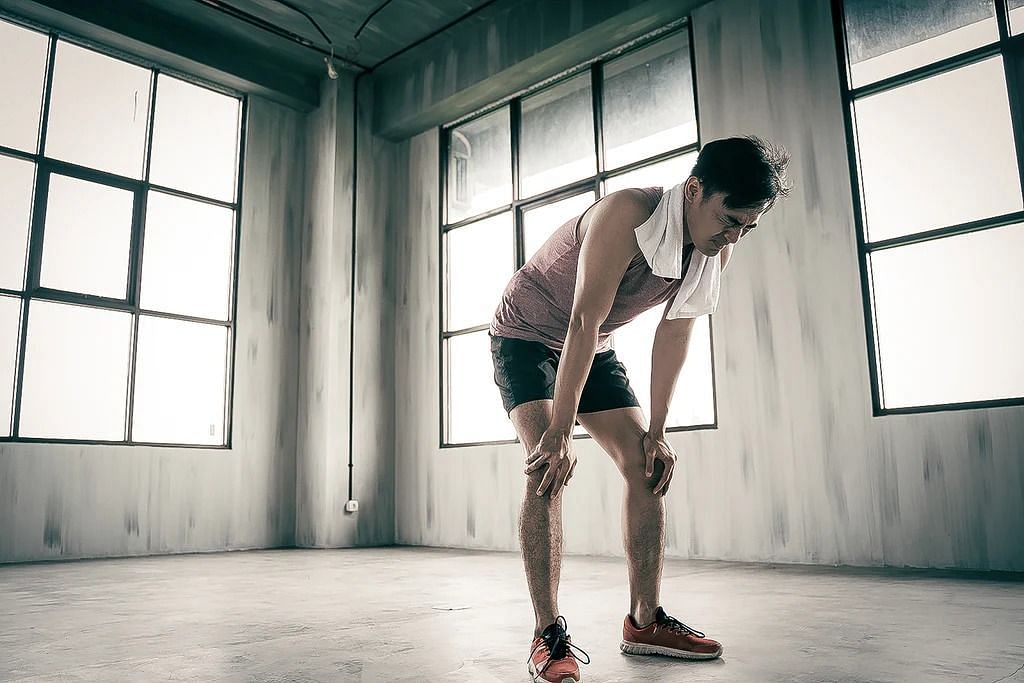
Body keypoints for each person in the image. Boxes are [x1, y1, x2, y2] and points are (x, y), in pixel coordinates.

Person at [488, 136, 792, 682]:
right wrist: (559, 429)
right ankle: (546, 634)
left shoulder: (717, 242)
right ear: (694, 190)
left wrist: (657, 430)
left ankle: (644, 621)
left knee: (648, 467)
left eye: (747, 225)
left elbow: (675, 331)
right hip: (529, 333)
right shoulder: (627, 213)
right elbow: (582, 318)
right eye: (728, 219)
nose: (734, 236)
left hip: (593, 343)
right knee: (545, 469)